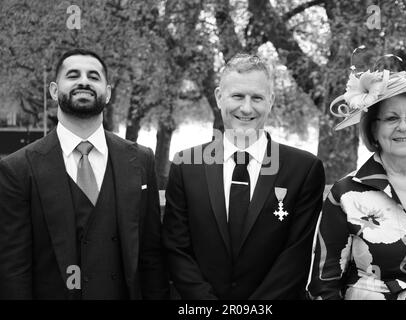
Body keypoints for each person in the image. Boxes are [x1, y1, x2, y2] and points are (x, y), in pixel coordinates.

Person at [0, 49, 169, 300]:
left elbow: (151, 256)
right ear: (54, 91)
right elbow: (14, 268)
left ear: (108, 93)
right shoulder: (17, 169)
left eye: (93, 76)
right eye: (73, 75)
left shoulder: (141, 160)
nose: (84, 81)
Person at [162, 53, 325, 300]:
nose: (246, 108)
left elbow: (296, 255)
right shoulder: (185, 166)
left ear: (270, 100)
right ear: (219, 97)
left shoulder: (304, 169)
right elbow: (177, 249)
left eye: (257, 98)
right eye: (237, 96)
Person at [307, 57, 406, 300]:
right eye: (392, 118)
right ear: (374, 129)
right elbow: (324, 285)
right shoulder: (346, 194)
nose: (403, 127)